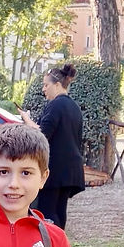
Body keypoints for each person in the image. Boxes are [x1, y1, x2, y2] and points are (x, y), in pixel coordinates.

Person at [20, 63, 85, 229]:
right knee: (60, 210)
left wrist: (26, 120)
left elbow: (41, 134)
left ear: (57, 85)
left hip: (56, 168)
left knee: (48, 211)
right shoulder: (74, 107)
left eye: (46, 85)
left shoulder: (56, 105)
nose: (43, 89)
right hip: (71, 168)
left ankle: (51, 246)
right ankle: (58, 245)